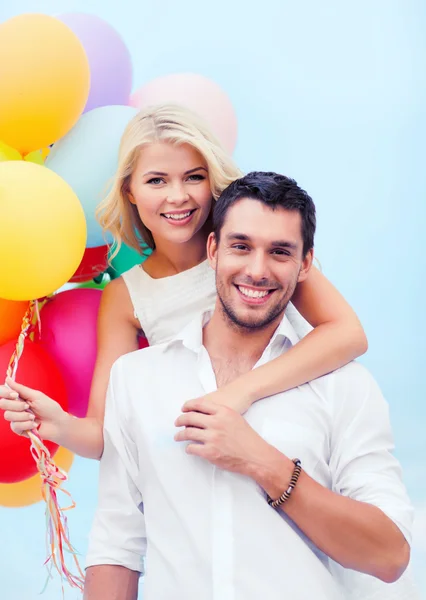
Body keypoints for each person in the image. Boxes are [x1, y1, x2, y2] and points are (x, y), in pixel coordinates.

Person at [83, 172, 413, 600]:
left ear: (306, 263)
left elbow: (388, 556)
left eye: (279, 252)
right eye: (241, 246)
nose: (257, 271)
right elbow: (116, 543)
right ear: (213, 249)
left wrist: (264, 463)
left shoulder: (345, 387)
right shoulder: (136, 379)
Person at [0, 104, 367, 461]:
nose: (178, 196)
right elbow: (104, 436)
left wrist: (242, 392)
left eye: (194, 176)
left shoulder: (251, 242)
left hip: (304, 440)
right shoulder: (126, 296)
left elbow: (348, 334)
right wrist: (60, 425)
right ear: (130, 190)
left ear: (212, 179)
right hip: (212, 464)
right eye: (157, 180)